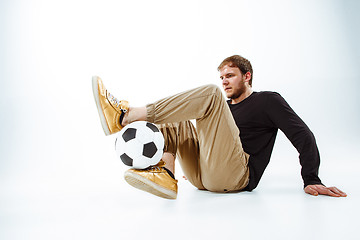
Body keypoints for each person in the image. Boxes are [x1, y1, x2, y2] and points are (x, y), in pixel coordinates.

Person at [92, 55, 347, 200]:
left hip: (237, 177)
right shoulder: (224, 109)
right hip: (205, 176)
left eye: (230, 75)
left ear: (247, 76)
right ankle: (166, 175)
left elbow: (303, 135)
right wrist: (200, 162)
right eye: (222, 77)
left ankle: (126, 115)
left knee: (209, 96)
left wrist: (311, 178)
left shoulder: (268, 100)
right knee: (177, 113)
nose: (224, 81)